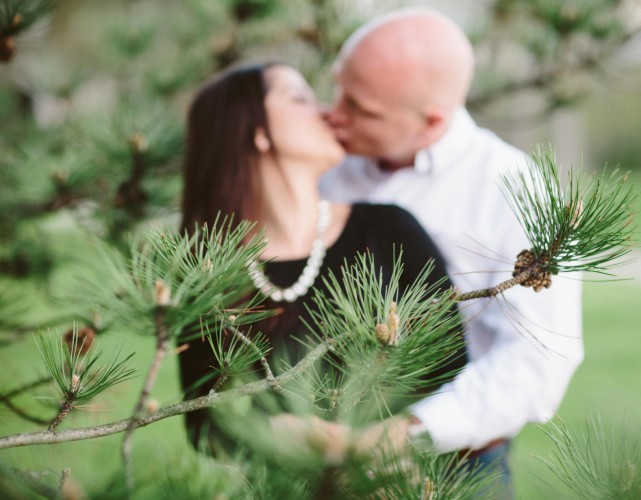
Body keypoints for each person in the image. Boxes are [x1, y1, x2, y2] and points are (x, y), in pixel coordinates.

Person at [320, 6, 584, 491]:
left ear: (432, 119)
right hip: (315, 454)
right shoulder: (326, 164)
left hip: (450, 466)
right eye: (338, 87)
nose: (335, 113)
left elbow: (538, 361)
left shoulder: (514, 189)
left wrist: (407, 435)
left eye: (361, 107)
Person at [177, 61, 466, 457]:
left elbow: (449, 368)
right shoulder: (208, 275)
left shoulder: (389, 230)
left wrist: (382, 443)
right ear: (257, 132)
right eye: (299, 98)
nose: (328, 113)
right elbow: (201, 423)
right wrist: (270, 431)